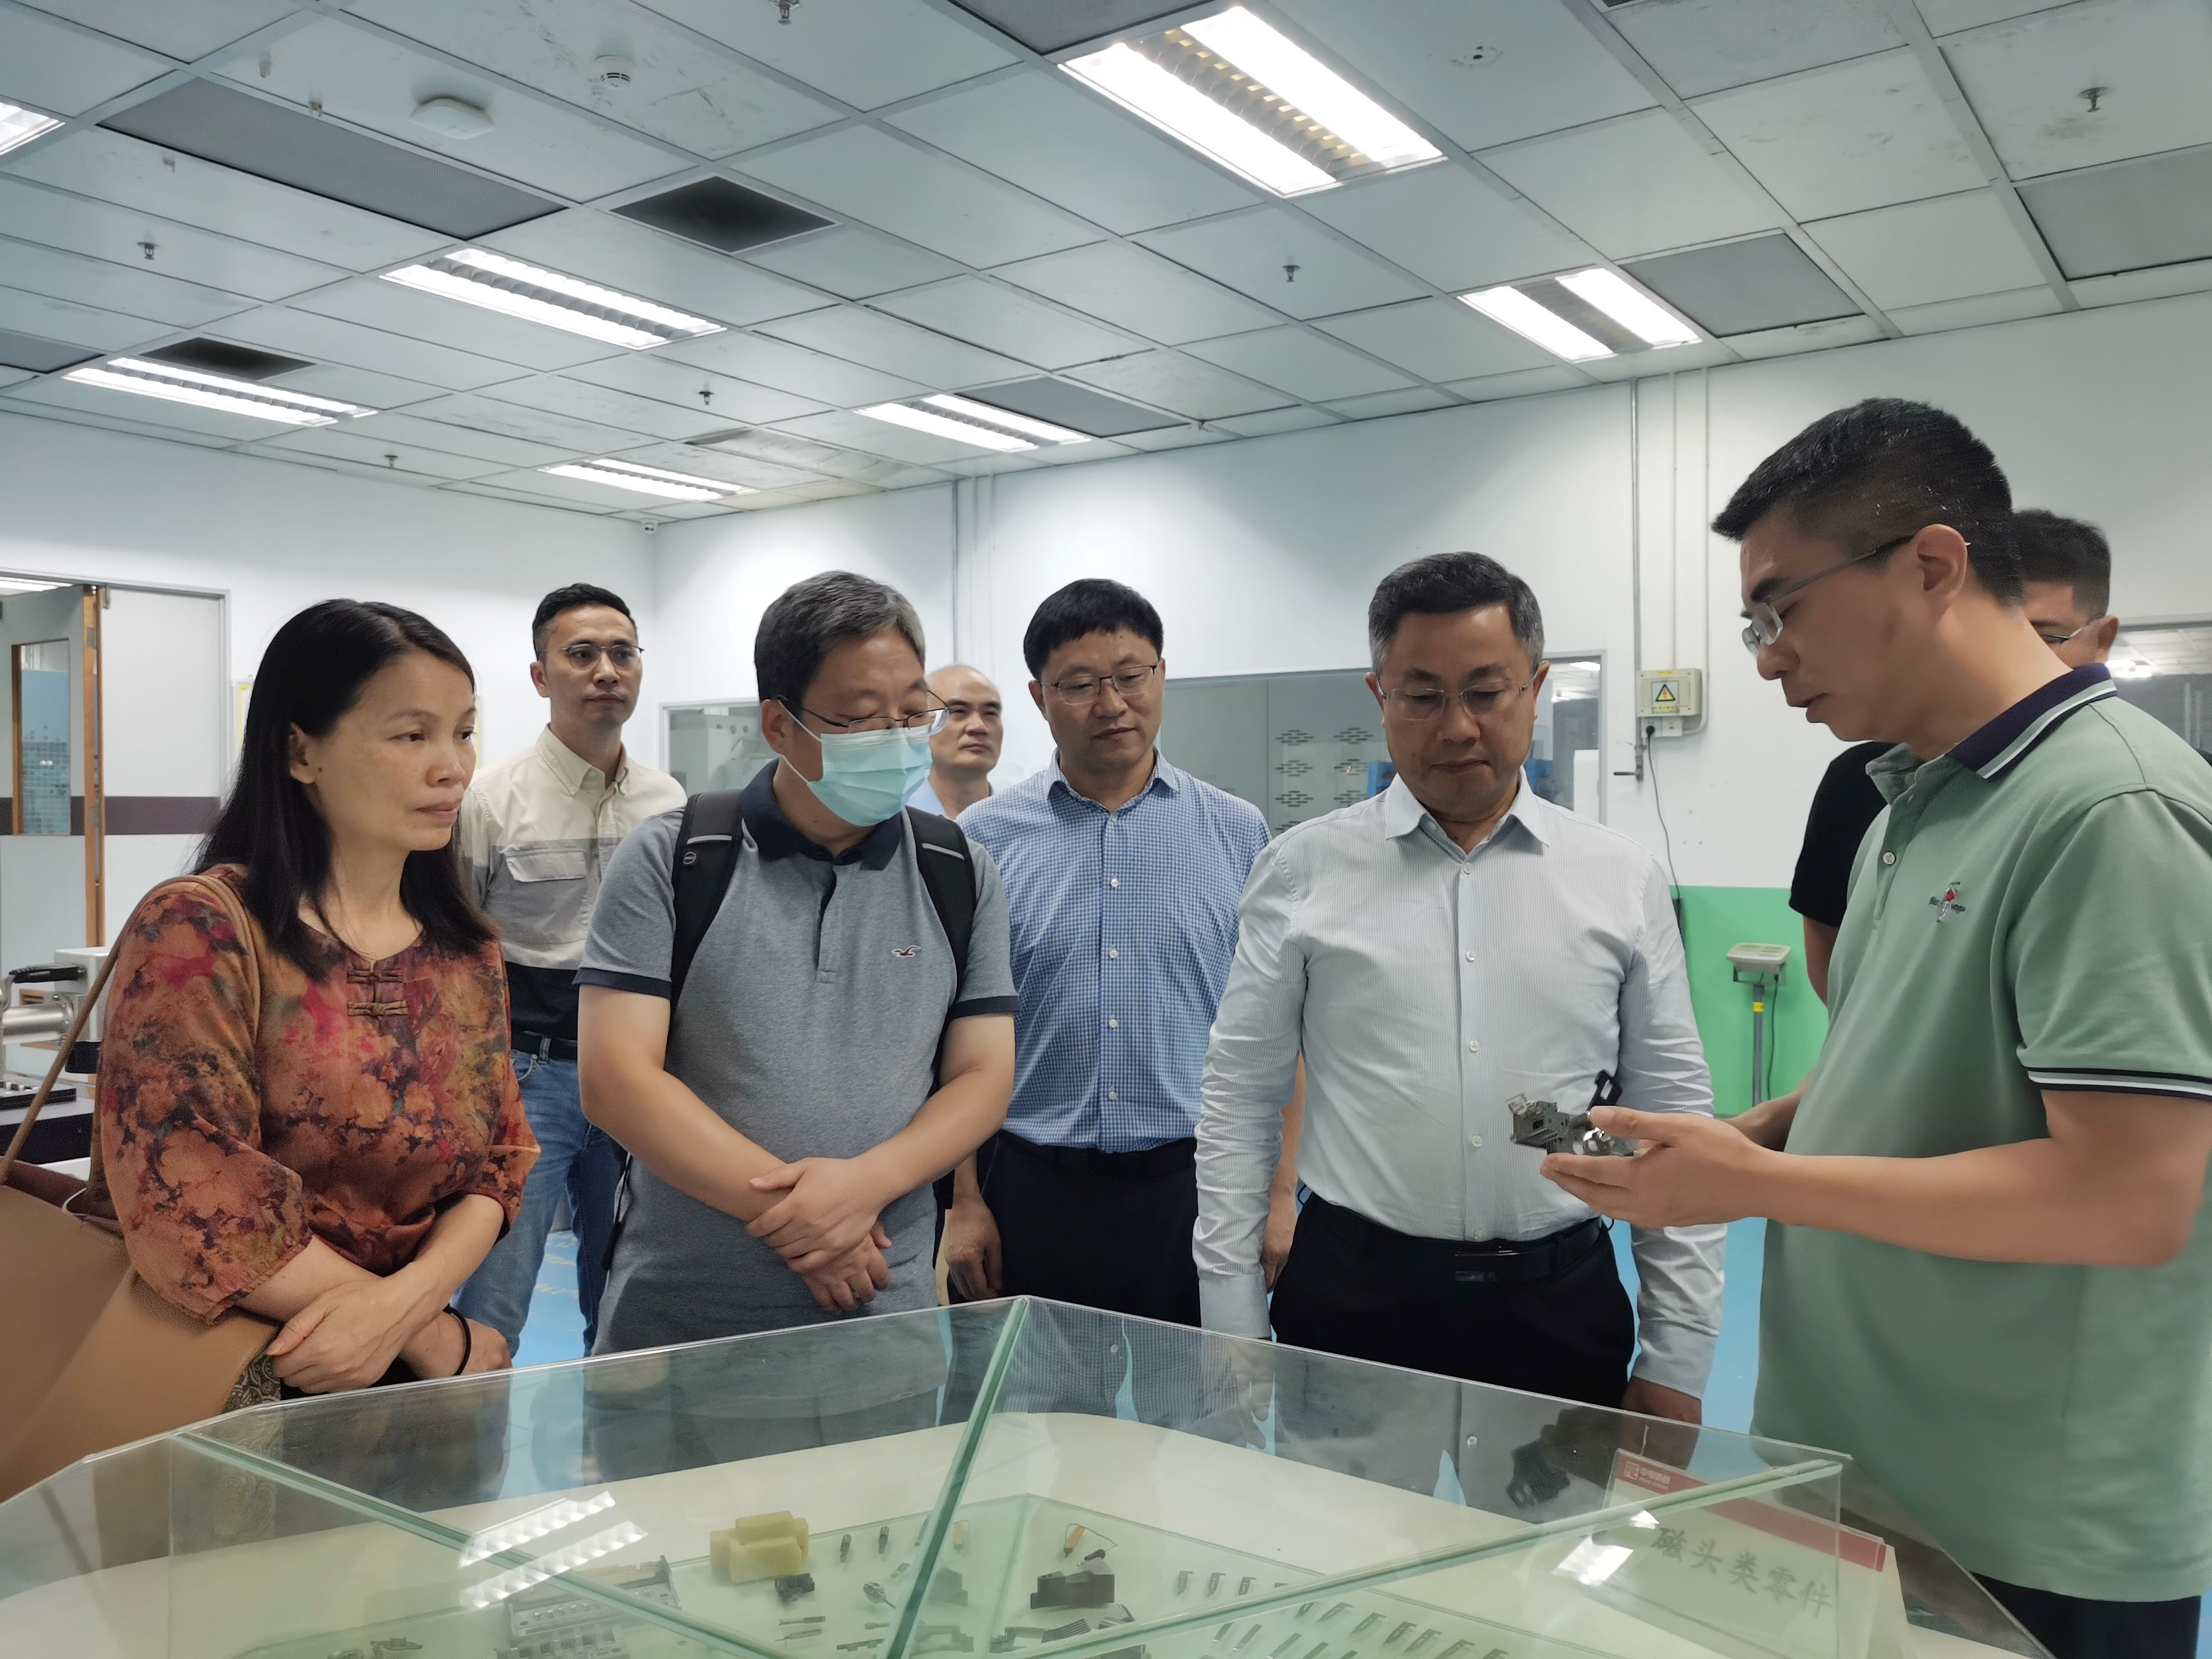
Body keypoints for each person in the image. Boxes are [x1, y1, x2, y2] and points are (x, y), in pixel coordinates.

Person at [1546, 400, 2212, 1659]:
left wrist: (1758, 1186)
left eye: (1780, 609)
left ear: (1932, 565)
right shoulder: (1911, 801)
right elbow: (1919, 1071)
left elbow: (2129, 1197)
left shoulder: (2108, 809)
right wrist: (1753, 1133)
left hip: (2024, 1525)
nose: (1767, 659)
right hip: (1867, 1474)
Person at [1195, 552, 1725, 1440]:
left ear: (1536, 689)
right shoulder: (1301, 871)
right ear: (1380, 696)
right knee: (1342, 1530)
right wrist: (1231, 1318)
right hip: (1354, 1300)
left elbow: (1673, 1116)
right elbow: (1240, 1097)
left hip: (1559, 1302)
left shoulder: (1618, 878)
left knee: (1560, 1533)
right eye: (1422, 695)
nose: (1457, 727)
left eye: (1486, 691)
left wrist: (1677, 1358)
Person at [81, 600, 532, 1399]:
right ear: (300, 751)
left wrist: (406, 1312)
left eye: (464, 732)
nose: (453, 767)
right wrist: (429, 1333)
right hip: (228, 1376)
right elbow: (191, 1189)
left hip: (411, 1386)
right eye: (412, 735)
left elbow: (502, 1160)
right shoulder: (203, 929)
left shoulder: (464, 948)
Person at [576, 571, 1016, 1356]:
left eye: (912, 713)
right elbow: (617, 1080)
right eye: (861, 718)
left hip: (884, 1315)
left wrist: (865, 1186)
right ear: (779, 726)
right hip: (684, 1317)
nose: (896, 738)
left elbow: (982, 1077)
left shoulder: (958, 870)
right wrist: (812, 1224)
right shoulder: (675, 858)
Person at [944, 580, 1272, 1419]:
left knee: (1197, 1427)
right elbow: (953, 1035)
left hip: (1190, 1188)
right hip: (1033, 1188)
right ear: (1039, 698)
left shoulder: (1238, 832)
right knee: (1046, 1432)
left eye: (1132, 675)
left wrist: (1277, 1200)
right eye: (1081, 684)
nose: (1113, 703)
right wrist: (966, 1203)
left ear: (1162, 674)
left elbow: (1274, 1035)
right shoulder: (983, 842)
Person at [452, 584, 683, 1356]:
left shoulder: (667, 802)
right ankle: (467, 1431)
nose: (606, 671)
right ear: (540, 676)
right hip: (527, 1080)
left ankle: (616, 1434)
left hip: (640, 1079)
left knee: (628, 1299)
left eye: (622, 653)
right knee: (493, 1303)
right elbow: (454, 956)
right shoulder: (488, 801)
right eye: (581, 655)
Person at [1788, 510, 2117, 1001]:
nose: (2008, 659)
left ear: (2102, 640)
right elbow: (1829, 942)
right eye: (1993, 633)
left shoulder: (2131, 794)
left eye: (2044, 637)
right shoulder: (1866, 778)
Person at [910, 663, 1002, 819]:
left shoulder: (1026, 821)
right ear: (921, 724)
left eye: (990, 713)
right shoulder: (893, 821)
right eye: (958, 711)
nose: (979, 727)